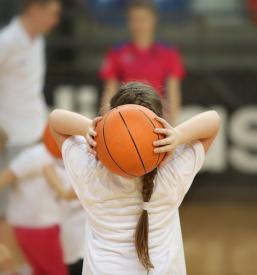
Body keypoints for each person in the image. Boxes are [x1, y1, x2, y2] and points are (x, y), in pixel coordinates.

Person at [49, 82, 220, 274]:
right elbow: (213, 120)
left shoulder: (89, 171)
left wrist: (93, 128)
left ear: (108, 121)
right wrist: (178, 135)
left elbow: (56, 120)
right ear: (161, 128)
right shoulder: (173, 174)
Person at [0, 0, 62, 217]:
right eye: (53, 14)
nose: (56, 21)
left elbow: (31, 90)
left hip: (37, 135)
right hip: (11, 140)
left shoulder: (38, 41)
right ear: (35, 9)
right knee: (6, 211)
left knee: (31, 211)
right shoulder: (6, 42)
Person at [99, 0, 185, 124]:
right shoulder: (117, 52)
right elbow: (109, 91)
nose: (139, 24)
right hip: (125, 114)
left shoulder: (169, 53)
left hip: (156, 114)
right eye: (134, 19)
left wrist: (173, 124)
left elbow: (174, 94)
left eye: (143, 19)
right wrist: (105, 122)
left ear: (154, 19)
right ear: (128, 22)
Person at [0, 143, 68, 275]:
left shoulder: (64, 155)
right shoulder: (37, 155)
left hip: (48, 223)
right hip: (36, 225)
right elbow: (3, 179)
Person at [43, 163, 85, 275]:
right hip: (71, 230)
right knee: (77, 266)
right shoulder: (49, 168)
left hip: (91, 227)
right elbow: (66, 195)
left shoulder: (84, 160)